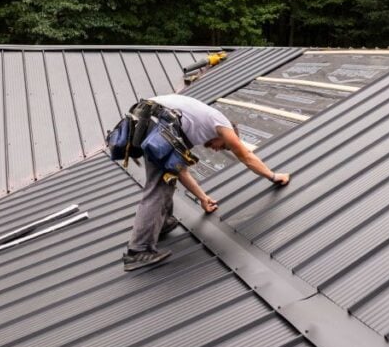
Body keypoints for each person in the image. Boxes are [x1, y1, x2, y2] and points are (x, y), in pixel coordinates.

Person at [122, 93, 290, 271]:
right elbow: (246, 156)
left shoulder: (190, 128)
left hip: (150, 119)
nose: (218, 150)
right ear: (226, 136)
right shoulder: (221, 124)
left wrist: (202, 198)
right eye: (223, 146)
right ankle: (138, 251)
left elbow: (179, 170)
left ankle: (161, 223)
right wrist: (273, 176)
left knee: (168, 175)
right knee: (159, 187)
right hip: (155, 121)